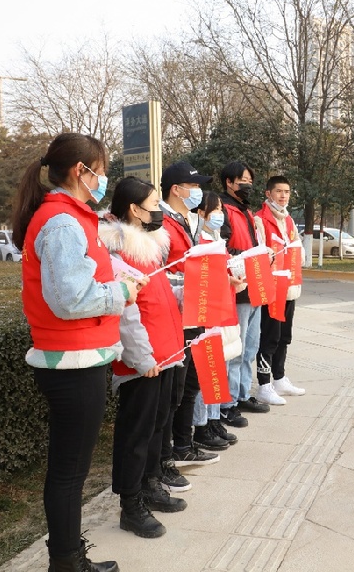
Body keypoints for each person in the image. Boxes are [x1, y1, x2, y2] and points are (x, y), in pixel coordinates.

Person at [12, 132, 137, 571]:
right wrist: (121, 290)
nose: (105, 178)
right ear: (80, 172)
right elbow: (69, 299)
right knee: (69, 472)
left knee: (71, 469)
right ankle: (66, 562)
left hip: (78, 357)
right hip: (73, 361)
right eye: (101, 170)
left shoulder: (71, 216)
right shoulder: (63, 222)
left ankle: (67, 558)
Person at [100, 176, 188, 539]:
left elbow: (163, 294)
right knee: (135, 434)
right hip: (143, 358)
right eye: (154, 206)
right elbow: (127, 312)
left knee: (157, 425)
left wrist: (203, 288)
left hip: (166, 350)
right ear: (134, 210)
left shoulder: (149, 245)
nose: (159, 213)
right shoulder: (116, 250)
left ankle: (151, 482)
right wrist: (140, 357)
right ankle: (130, 503)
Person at [158, 161, 220, 489]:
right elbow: (166, 271)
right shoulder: (164, 223)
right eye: (192, 186)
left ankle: (183, 444)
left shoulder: (184, 220)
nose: (197, 192)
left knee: (191, 383)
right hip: (177, 314)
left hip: (194, 310)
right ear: (176, 189)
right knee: (174, 390)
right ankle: (166, 456)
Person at [188, 190, 241, 450]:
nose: (220, 214)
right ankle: (201, 425)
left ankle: (212, 418)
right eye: (215, 209)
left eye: (221, 209)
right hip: (207, 312)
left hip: (221, 309)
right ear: (201, 213)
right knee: (205, 370)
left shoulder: (216, 238)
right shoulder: (200, 239)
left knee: (217, 368)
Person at [219, 161, 270, 427]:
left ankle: (240, 395)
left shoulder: (246, 211)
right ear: (229, 182)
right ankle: (226, 403)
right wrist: (248, 258)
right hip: (237, 288)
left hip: (255, 286)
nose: (247, 184)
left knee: (250, 347)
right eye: (243, 180)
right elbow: (223, 249)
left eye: (250, 180)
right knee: (235, 349)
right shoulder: (223, 210)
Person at [254, 175, 305, 405]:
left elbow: (298, 249)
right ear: (268, 194)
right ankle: (264, 384)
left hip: (290, 287)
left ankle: (280, 378)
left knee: (284, 336)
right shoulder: (260, 220)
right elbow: (259, 255)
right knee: (269, 337)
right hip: (272, 290)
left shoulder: (289, 221)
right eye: (278, 192)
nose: (283, 196)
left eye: (286, 192)